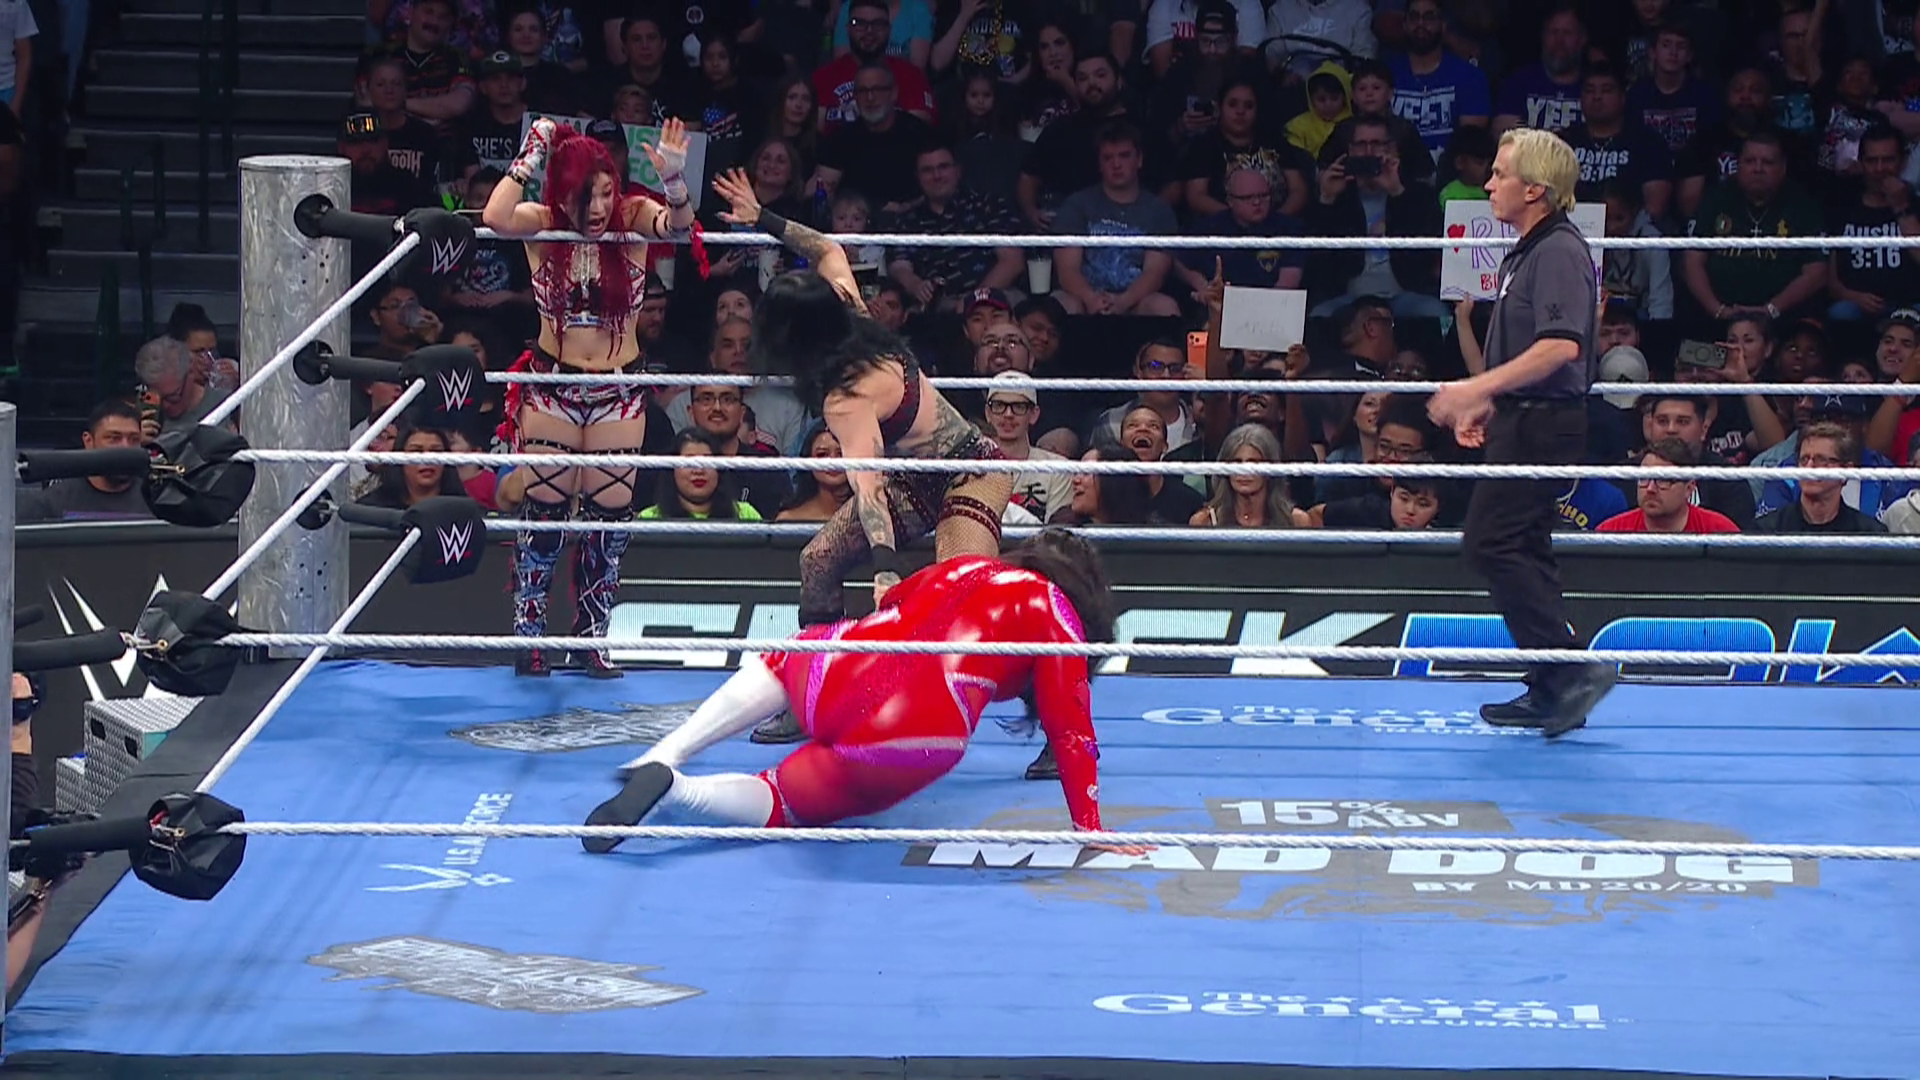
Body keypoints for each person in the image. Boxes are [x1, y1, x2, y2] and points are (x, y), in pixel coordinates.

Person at [708, 165, 1015, 743]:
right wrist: (763, 219)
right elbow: (826, 249)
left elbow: (868, 483)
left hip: (968, 471)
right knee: (818, 560)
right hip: (912, 478)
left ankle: (1048, 709)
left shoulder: (846, 396)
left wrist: (885, 568)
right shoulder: (850, 311)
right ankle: (811, 696)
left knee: (966, 598)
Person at [582, 530, 1131, 845]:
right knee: (780, 800)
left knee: (787, 654)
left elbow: (892, 602)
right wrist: (1091, 831)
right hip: (911, 732)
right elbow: (1071, 731)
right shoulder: (1055, 612)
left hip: (836, 670)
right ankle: (678, 792)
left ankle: (665, 753)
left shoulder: (966, 567)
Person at [481, 116, 698, 678]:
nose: (599, 207)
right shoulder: (542, 224)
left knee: (609, 520)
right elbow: (494, 216)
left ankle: (591, 637)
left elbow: (679, 228)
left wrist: (674, 179)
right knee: (546, 512)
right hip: (554, 386)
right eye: (586, 196)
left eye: (605, 192)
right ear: (562, 194)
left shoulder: (633, 216)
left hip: (617, 390)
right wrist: (532, 151)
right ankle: (529, 635)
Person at [1426, 127, 1616, 739]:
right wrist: (1490, 402)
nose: (1488, 184)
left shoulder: (1557, 250)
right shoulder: (1529, 250)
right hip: (1525, 417)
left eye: (1500, 174)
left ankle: (1570, 671)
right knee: (1525, 546)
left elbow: (1561, 347)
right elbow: (1529, 350)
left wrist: (1476, 389)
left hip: (1545, 423)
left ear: (1534, 188)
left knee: (1491, 543)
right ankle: (1553, 685)